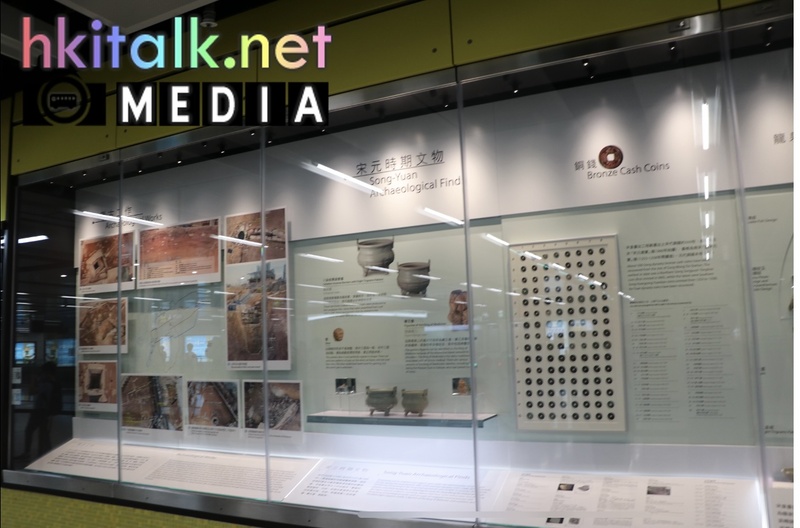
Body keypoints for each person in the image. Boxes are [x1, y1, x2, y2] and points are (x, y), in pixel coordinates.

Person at [17, 362, 61, 460]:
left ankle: (29, 453)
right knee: (44, 433)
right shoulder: (53, 381)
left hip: (40, 410)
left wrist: (33, 381)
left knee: (30, 430)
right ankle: (47, 453)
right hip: (45, 410)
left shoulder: (46, 381)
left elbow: (32, 392)